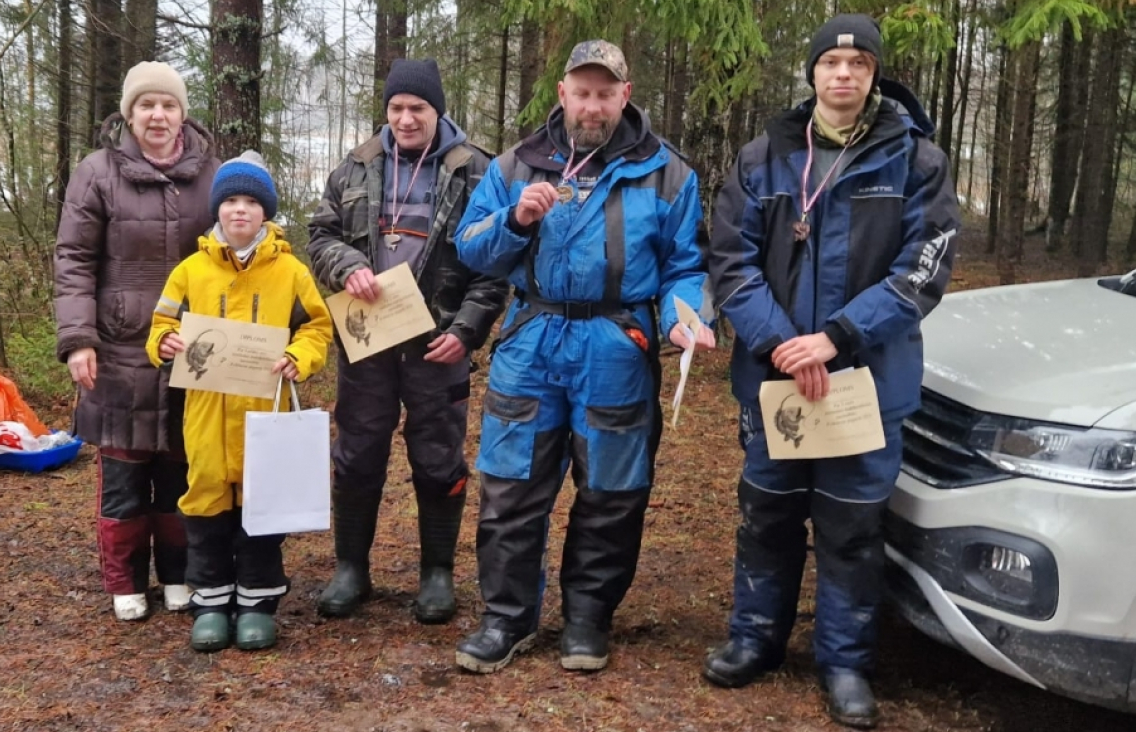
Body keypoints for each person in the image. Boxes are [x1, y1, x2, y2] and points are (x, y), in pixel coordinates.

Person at [704, 14, 960, 728]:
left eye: (859, 64)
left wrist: (838, 338)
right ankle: (755, 639)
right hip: (778, 380)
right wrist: (782, 343)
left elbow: (924, 267)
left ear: (875, 75)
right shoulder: (765, 157)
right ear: (813, 72)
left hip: (865, 382)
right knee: (768, 515)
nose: (843, 74)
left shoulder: (915, 161)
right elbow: (731, 258)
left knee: (851, 528)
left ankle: (845, 662)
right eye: (830, 63)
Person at [451, 40, 715, 674]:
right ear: (562, 94)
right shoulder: (516, 165)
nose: (592, 106)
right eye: (582, 93)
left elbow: (687, 266)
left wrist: (686, 320)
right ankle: (507, 618)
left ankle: (588, 617)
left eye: (605, 94)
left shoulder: (667, 173)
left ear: (625, 96)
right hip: (531, 341)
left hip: (616, 345)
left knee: (612, 490)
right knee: (511, 486)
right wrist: (515, 220)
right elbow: (471, 247)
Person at [306, 58, 507, 624]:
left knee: (439, 455)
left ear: (437, 110)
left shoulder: (476, 170)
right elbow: (320, 234)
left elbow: (494, 266)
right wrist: (346, 266)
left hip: (438, 342)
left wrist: (466, 330)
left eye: (417, 108)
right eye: (396, 108)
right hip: (367, 340)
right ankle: (351, 568)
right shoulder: (356, 165)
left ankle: (437, 572)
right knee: (357, 452)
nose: (405, 119)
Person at [147, 151, 334, 652]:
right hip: (205, 412)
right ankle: (210, 603)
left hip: (265, 413)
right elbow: (161, 324)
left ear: (265, 212)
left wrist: (299, 356)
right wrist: (163, 343)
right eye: (231, 201)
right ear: (218, 209)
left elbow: (317, 327)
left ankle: (257, 604)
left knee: (262, 506)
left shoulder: (291, 271)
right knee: (205, 502)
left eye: (251, 202)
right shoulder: (190, 271)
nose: (240, 210)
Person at [55, 61, 220, 622]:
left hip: (192, 351)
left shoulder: (213, 175)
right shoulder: (96, 172)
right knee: (124, 475)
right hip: (119, 350)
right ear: (129, 114)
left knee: (181, 470)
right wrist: (79, 338)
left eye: (168, 105)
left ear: (182, 113)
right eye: (146, 105)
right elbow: (74, 260)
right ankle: (125, 582)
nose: (158, 115)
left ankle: (177, 574)